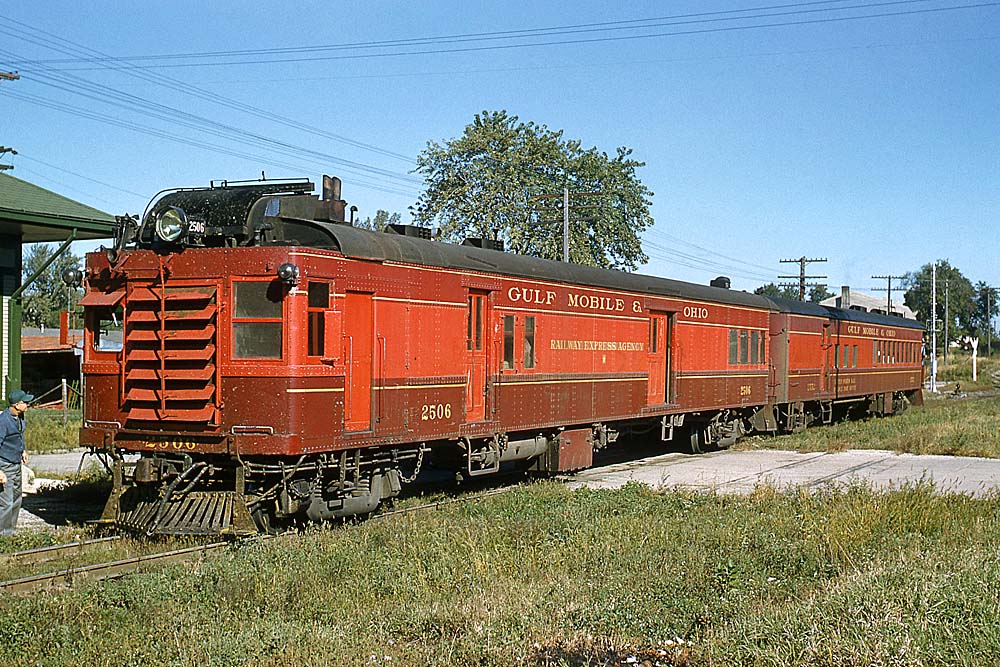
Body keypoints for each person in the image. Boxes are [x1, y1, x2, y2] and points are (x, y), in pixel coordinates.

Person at [0, 389, 32, 536]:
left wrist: (23, 450)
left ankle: (10, 531)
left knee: (16, 498)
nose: (28, 405)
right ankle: (3, 535)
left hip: (16, 464)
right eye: (25, 402)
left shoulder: (19, 417)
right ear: (17, 405)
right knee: (6, 502)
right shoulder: (3, 421)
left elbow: (19, 436)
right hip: (5, 465)